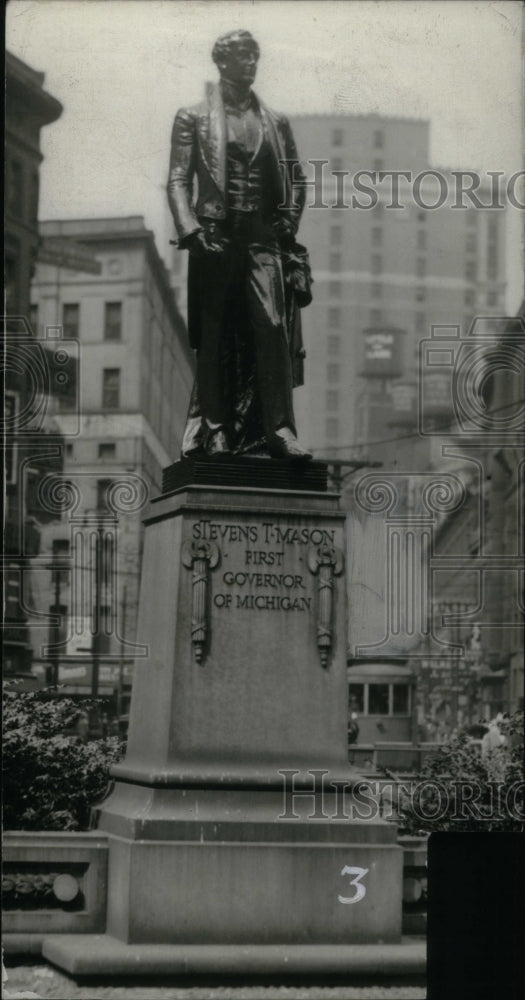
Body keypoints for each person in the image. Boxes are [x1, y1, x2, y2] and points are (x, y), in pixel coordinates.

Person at [167, 29, 312, 460]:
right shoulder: (192, 117)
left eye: (255, 55)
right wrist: (190, 229)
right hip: (214, 236)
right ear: (222, 62)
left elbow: (297, 179)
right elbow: (178, 179)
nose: (251, 62)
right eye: (243, 55)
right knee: (214, 339)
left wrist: (289, 218)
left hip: (261, 238)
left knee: (272, 329)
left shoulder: (275, 121)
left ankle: (280, 432)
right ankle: (216, 431)